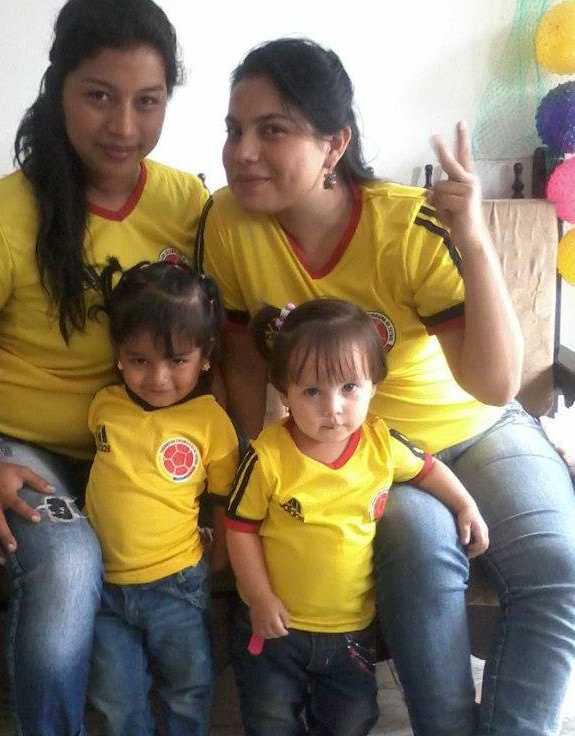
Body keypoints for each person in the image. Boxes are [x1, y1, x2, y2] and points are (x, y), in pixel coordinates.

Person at [197, 37, 575, 736]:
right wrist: (247, 471)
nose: (242, 151)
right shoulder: (227, 222)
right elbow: (242, 362)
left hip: (480, 432)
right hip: (366, 455)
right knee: (423, 554)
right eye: (234, 129)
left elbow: (494, 386)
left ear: (335, 143)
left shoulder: (404, 224)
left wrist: (475, 239)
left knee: (561, 567)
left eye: (272, 130)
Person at [0, 1, 208, 733]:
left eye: (148, 101)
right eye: (99, 96)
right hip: (0, 444)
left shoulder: (186, 203)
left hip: (124, 452)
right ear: (59, 91)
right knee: (69, 559)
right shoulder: (3, 213)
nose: (124, 126)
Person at [225, 298, 489, 736]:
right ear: (285, 392)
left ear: (374, 386)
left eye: (349, 387)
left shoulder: (381, 445)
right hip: (274, 628)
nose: (333, 408)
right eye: (312, 391)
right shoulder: (267, 456)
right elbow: (240, 530)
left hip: (350, 634)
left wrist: (465, 506)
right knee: (269, 721)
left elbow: (428, 470)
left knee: (352, 720)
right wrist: (259, 598)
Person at [83, 260, 239, 735]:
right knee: (115, 699)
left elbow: (225, 500)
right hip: (102, 585)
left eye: (177, 361)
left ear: (205, 357)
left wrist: (221, 557)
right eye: (139, 361)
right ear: (118, 354)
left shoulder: (212, 423)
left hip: (177, 585)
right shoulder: (104, 405)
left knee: (188, 687)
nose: (158, 378)